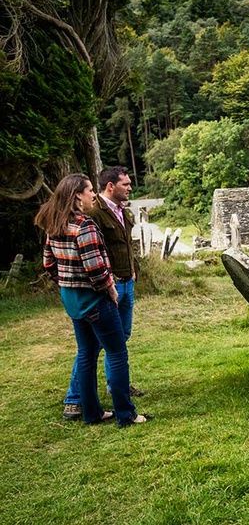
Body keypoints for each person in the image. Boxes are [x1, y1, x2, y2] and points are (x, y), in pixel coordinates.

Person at [35, 173, 146, 426]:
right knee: (117, 353)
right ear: (77, 196)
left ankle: (92, 413)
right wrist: (110, 289)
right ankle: (126, 415)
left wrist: (67, 283)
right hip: (96, 300)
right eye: (89, 191)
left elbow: (49, 264)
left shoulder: (55, 225)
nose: (93, 195)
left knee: (86, 353)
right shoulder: (84, 226)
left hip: (73, 302)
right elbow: (96, 269)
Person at [84, 166, 144, 398]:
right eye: (125, 184)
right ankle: (76, 397)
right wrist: (107, 282)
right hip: (110, 285)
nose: (130, 188)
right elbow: (93, 252)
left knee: (122, 337)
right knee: (99, 342)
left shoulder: (121, 210)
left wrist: (132, 271)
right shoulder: (95, 214)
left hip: (127, 282)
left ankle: (117, 385)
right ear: (111, 186)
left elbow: (125, 245)